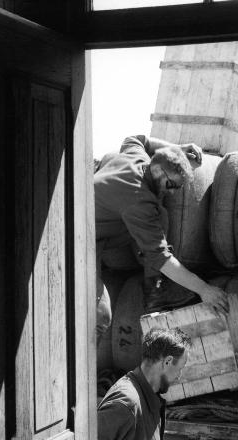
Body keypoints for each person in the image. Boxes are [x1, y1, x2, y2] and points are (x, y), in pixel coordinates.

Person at [94, 134, 228, 345]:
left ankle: (154, 288)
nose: (173, 192)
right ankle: (74, 373)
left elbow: (138, 139)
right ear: (158, 170)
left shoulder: (137, 159)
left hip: (93, 232)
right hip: (72, 242)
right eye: (172, 184)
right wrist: (204, 289)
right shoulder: (138, 199)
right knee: (100, 317)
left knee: (160, 214)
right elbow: (160, 257)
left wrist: (178, 148)